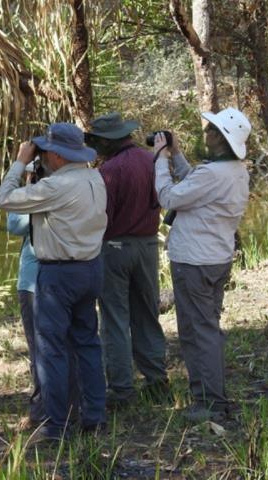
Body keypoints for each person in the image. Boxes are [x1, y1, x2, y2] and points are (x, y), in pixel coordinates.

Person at [0, 122, 108, 440]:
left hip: (59, 273)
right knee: (87, 343)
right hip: (91, 267)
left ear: (57, 156)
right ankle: (94, 417)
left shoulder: (55, 187)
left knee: (52, 349)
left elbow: (4, 199)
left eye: (45, 152)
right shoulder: (94, 177)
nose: (42, 157)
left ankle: (56, 425)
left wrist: (20, 162)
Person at [153, 107, 251, 422]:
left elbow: (169, 197)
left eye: (210, 129)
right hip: (215, 258)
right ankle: (208, 397)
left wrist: (158, 160)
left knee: (199, 332)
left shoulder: (213, 173)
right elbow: (193, 183)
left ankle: (211, 403)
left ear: (218, 138)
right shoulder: (234, 169)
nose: (205, 132)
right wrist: (176, 155)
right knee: (206, 328)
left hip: (195, 262)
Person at [86, 112, 168, 407]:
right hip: (148, 246)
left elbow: (101, 218)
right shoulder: (152, 160)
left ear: (107, 142)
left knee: (115, 319)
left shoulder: (109, 171)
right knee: (147, 313)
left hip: (115, 247)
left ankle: (122, 389)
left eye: (97, 141)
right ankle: (157, 379)